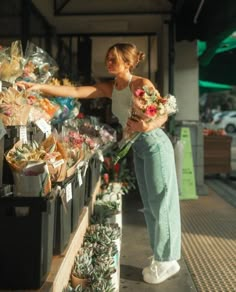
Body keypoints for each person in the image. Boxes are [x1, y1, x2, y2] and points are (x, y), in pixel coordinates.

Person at [17, 42, 181, 285]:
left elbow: (163, 114)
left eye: (114, 59)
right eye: (108, 57)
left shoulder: (141, 84)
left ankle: (168, 260)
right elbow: (76, 92)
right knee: (150, 202)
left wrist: (147, 125)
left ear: (128, 62)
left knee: (162, 202)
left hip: (156, 145)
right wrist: (39, 86)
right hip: (140, 148)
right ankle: (161, 254)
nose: (109, 62)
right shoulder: (111, 87)